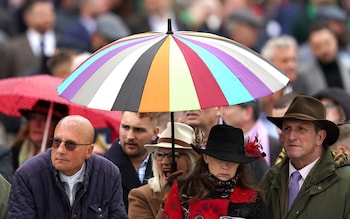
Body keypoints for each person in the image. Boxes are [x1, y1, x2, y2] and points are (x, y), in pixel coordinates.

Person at [7, 115, 128, 218]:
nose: (60, 150)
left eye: (70, 144)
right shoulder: (28, 175)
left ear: (89, 151)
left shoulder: (109, 174)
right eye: (56, 142)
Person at [260, 95, 350, 218]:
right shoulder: (271, 178)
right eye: (287, 128)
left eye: (301, 129)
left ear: (320, 137)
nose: (291, 136)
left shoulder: (345, 180)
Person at [162, 124, 265, 218]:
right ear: (206, 158)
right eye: (219, 159)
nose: (225, 166)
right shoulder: (183, 190)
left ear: (239, 163)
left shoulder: (253, 198)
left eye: (232, 161)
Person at [128, 122, 200, 219]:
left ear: (191, 161)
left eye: (173, 156)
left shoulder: (204, 192)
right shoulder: (141, 196)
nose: (165, 162)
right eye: (160, 155)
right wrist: (169, 198)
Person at [104, 111, 159, 212]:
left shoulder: (167, 163)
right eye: (125, 127)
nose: (130, 136)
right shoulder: (104, 168)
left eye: (138, 130)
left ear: (155, 133)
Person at [0, 0, 57, 77]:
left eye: (50, 12)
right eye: (41, 14)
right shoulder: (12, 49)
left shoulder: (66, 44)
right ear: (27, 17)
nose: (46, 18)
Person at [11, 100, 68, 171]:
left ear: (57, 125)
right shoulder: (16, 150)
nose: (37, 124)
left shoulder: (64, 158)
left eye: (44, 119)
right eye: (33, 118)